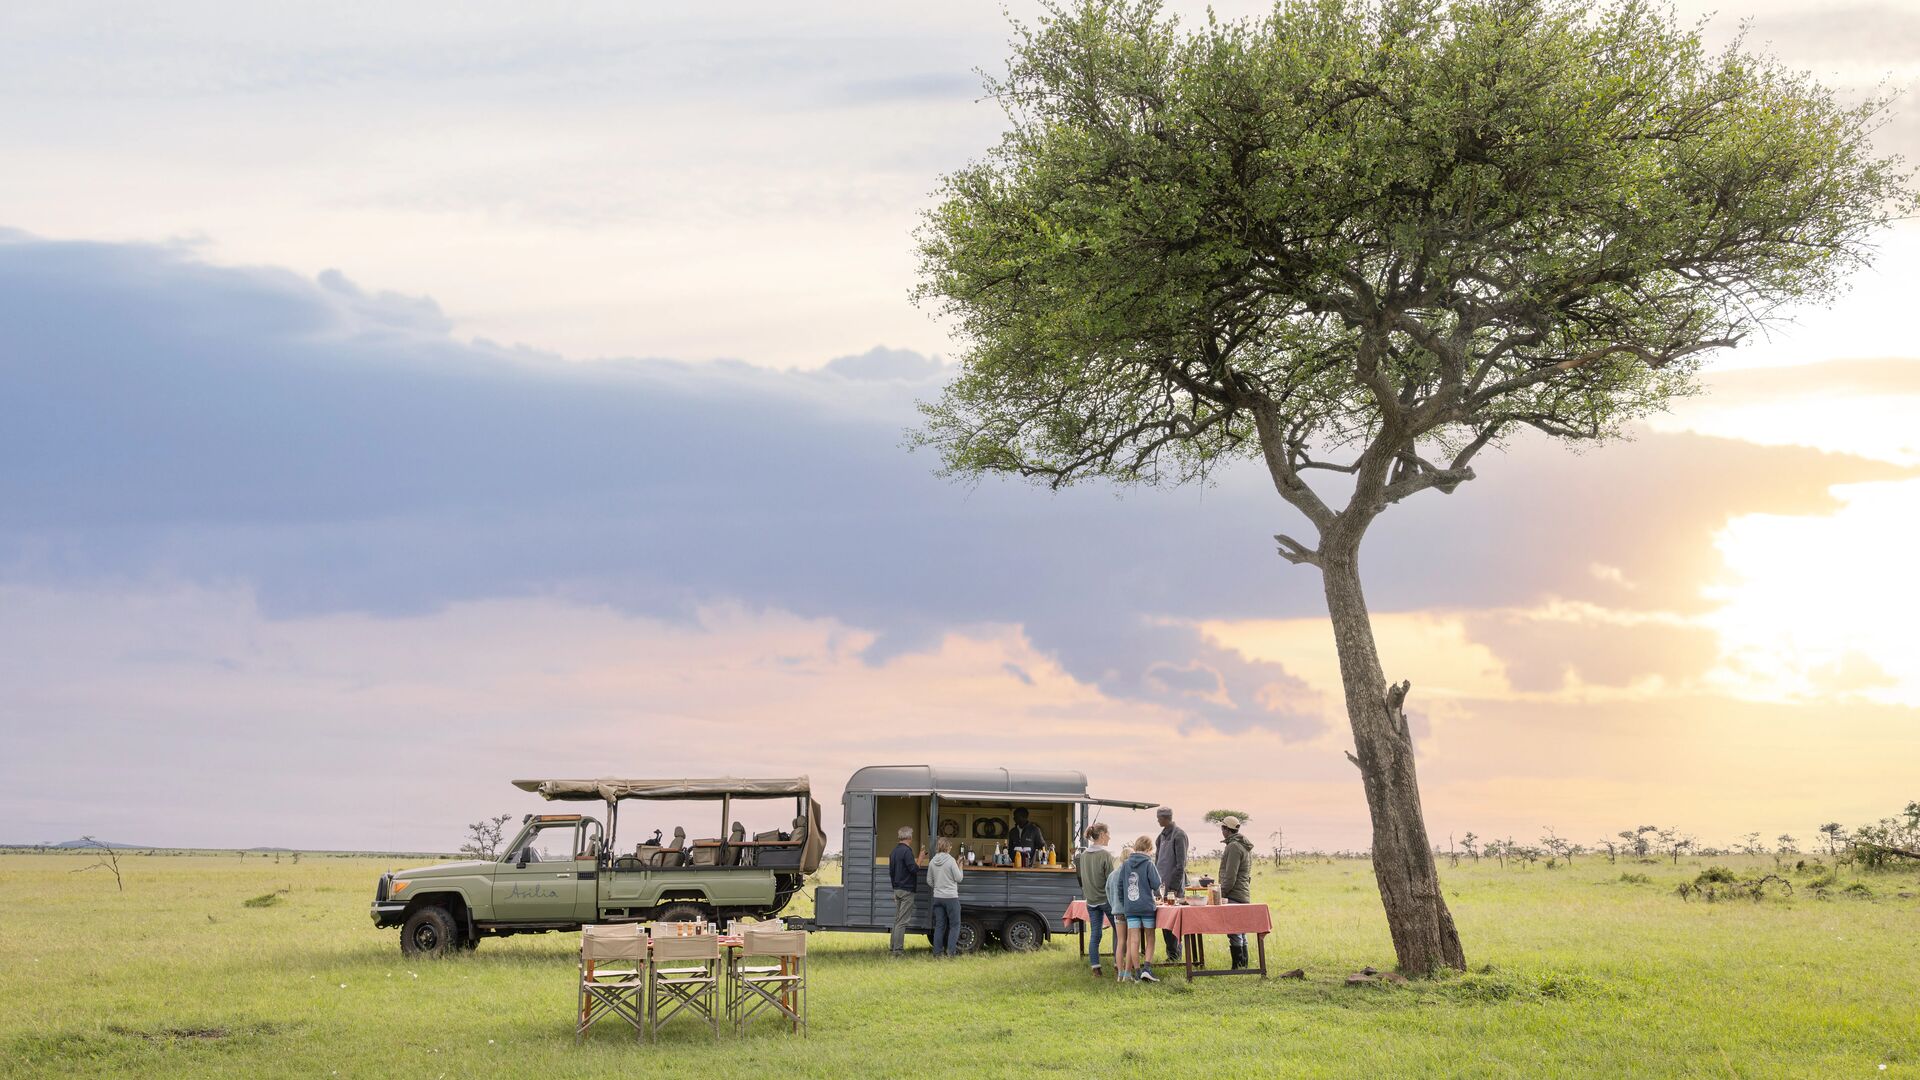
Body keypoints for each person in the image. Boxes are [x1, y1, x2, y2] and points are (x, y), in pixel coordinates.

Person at [1118, 835, 1163, 983]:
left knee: (1133, 940)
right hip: (1147, 907)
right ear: (1149, 849)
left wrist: (1125, 905)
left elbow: (1120, 887)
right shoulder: (1149, 863)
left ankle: (1137, 973)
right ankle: (1147, 969)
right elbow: (1156, 884)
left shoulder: (1125, 865)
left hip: (1131, 909)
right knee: (1150, 937)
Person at [1076, 824, 1116, 977]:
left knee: (1095, 935)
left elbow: (1082, 878)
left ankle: (1096, 968)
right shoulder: (1106, 855)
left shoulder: (1084, 855)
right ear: (1101, 834)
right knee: (1119, 932)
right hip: (1106, 900)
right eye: (1108, 833)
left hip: (1091, 901)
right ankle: (1118, 965)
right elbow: (1112, 881)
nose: (1109, 837)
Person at [1217, 815, 1254, 970]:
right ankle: (1243, 964)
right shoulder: (1243, 845)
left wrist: (1220, 894)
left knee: (1234, 931)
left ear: (1226, 829)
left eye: (1222, 828)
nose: (1222, 831)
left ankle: (1237, 966)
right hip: (1243, 893)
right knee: (1241, 930)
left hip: (1234, 894)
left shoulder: (1233, 846)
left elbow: (1230, 876)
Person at [1154, 807, 1189, 962]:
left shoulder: (1179, 835)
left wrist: (1174, 889)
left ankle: (1175, 955)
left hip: (1174, 887)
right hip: (1161, 886)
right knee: (1164, 922)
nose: (1157, 820)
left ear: (1165, 818)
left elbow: (1181, 865)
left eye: (1158, 818)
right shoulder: (1160, 836)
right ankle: (1171, 955)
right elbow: (1157, 862)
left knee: (1174, 922)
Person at [928, 837, 964, 957]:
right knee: (955, 925)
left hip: (938, 897)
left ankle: (937, 953)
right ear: (948, 847)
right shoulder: (951, 861)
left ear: (938, 847)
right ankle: (951, 952)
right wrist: (960, 867)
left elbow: (929, 881)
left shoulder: (932, 861)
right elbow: (959, 878)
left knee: (939, 925)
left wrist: (938, 886)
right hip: (951, 897)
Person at [888, 825, 917, 956]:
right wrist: (921, 858)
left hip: (897, 889)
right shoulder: (907, 851)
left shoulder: (893, 852)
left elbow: (891, 872)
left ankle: (892, 947)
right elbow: (913, 869)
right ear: (909, 837)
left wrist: (894, 889)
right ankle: (898, 951)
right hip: (907, 890)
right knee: (902, 921)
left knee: (897, 920)